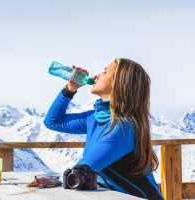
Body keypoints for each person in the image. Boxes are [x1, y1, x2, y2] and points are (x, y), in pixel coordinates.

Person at [44, 58, 164, 200]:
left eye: (105, 71)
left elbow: (79, 173)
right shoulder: (94, 118)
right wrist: (70, 89)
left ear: (117, 83)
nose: (96, 75)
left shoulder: (123, 128)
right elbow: (53, 122)